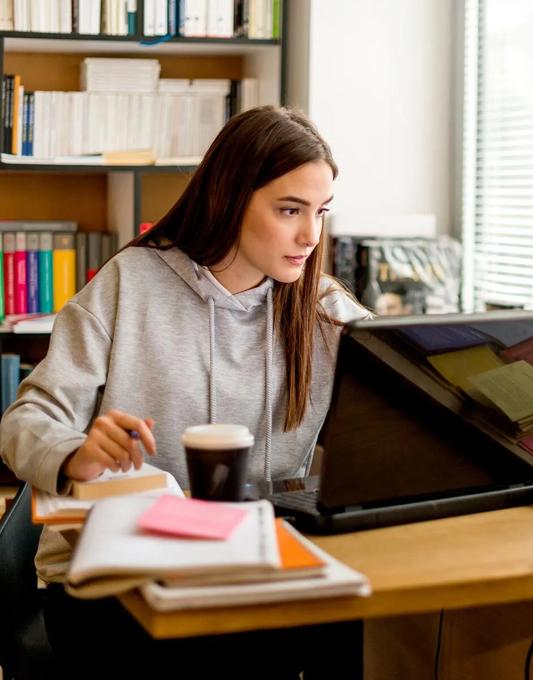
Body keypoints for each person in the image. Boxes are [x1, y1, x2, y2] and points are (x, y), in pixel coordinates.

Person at [0, 105, 369, 679]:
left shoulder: (321, 309)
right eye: (289, 210)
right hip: (114, 590)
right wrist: (75, 454)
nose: (310, 235)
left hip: (250, 572)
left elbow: (412, 384)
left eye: (321, 212)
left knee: (357, 622)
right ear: (229, 199)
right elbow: (24, 421)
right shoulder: (130, 285)